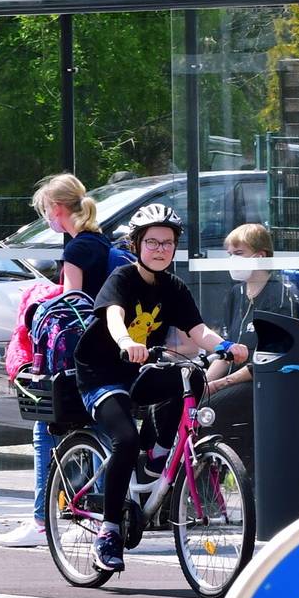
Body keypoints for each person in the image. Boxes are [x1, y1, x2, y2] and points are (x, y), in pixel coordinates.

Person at [70, 204, 247, 573]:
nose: (160, 249)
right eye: (152, 242)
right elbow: (115, 316)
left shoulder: (173, 288)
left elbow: (198, 332)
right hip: (101, 373)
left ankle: (158, 456)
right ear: (136, 245)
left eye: (167, 243)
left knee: (192, 377)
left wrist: (225, 347)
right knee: (125, 440)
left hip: (137, 372)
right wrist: (125, 342)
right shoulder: (121, 278)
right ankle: (109, 530)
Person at [0, 173, 122, 548]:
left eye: (46, 210)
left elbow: (71, 303)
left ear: (56, 209)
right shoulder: (100, 242)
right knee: (102, 434)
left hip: (78, 358)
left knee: (43, 430)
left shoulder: (76, 250)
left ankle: (40, 518)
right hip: (110, 352)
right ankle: (102, 516)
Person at [197, 222, 299, 437]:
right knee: (192, 403)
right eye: (230, 254)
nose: (233, 260)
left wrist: (219, 385)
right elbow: (226, 351)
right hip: (234, 378)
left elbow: (273, 356)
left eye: (239, 253)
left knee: (207, 411)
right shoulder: (236, 293)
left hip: (265, 382)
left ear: (261, 256)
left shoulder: (280, 295)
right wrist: (205, 383)